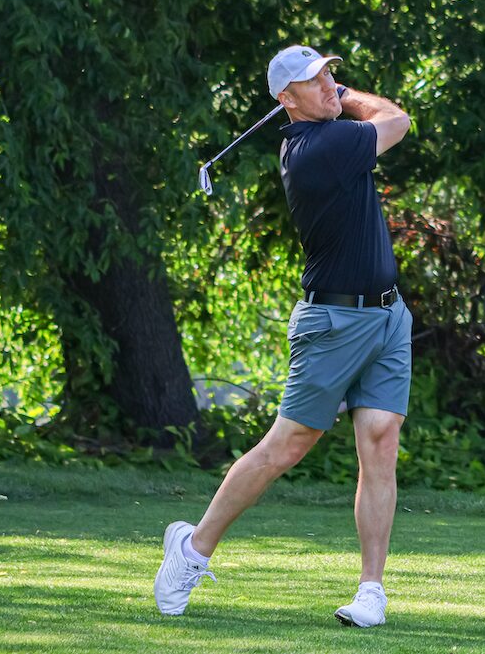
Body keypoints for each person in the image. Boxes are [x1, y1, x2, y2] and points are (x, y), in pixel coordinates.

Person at [153, 44, 412, 628]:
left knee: (380, 442)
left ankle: (372, 590)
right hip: (334, 322)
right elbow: (395, 119)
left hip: (389, 315)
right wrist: (349, 100)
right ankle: (192, 551)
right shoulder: (320, 147)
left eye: (330, 76)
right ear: (285, 101)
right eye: (313, 82)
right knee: (287, 446)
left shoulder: (329, 137)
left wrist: (334, 93)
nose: (328, 87)